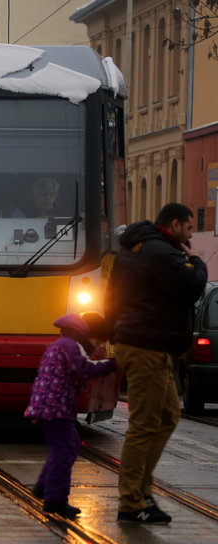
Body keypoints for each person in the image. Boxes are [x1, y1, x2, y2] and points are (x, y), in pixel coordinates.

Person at [105, 202, 207, 524]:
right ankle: (132, 501)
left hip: (149, 344)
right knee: (145, 423)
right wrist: (198, 262)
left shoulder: (137, 250)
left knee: (167, 415)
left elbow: (113, 296)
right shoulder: (161, 253)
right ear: (176, 224)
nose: (191, 235)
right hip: (147, 345)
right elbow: (192, 285)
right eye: (190, 228)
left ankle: (141, 492)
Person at [25, 312, 118, 519]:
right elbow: (84, 369)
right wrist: (113, 364)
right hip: (55, 408)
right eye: (97, 340)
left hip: (51, 406)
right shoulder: (69, 345)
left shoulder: (61, 343)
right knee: (64, 450)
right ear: (86, 334)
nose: (96, 345)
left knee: (68, 446)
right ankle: (55, 501)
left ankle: (44, 487)